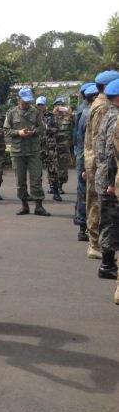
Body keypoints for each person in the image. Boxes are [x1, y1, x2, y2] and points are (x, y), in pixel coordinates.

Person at [85, 70, 119, 259]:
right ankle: (96, 245)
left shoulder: (101, 105)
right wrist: (108, 178)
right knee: (100, 208)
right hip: (101, 165)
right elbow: (103, 143)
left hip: (99, 164)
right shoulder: (103, 107)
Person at [3, 87, 50, 216]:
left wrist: (33, 132)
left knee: (36, 179)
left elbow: (42, 128)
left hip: (33, 151)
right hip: (17, 152)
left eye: (29, 100)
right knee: (20, 181)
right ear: (19, 99)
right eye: (25, 100)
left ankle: (39, 206)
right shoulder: (11, 113)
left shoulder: (36, 112)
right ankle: (24, 206)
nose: (27, 103)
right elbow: (6, 131)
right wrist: (18, 132)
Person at [94, 79, 119, 280]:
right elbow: (112, 152)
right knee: (111, 222)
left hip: (104, 174)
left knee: (108, 221)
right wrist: (112, 183)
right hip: (110, 179)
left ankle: (108, 263)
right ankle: (107, 265)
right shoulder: (115, 117)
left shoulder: (108, 114)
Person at [76, 84, 99, 242]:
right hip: (88, 158)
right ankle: (85, 227)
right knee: (88, 193)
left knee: (84, 192)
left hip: (83, 156)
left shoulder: (83, 110)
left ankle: (83, 226)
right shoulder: (88, 112)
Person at [37, 96, 61, 200]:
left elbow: (57, 129)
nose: (40, 106)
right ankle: (37, 193)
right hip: (38, 147)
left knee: (53, 170)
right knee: (37, 171)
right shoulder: (34, 116)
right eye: (38, 105)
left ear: (45, 105)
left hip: (50, 147)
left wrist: (47, 129)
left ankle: (55, 191)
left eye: (42, 104)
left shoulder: (52, 116)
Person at [53, 97, 74, 196]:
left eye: (62, 105)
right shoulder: (51, 117)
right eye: (58, 105)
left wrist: (70, 113)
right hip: (53, 148)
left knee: (63, 169)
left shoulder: (69, 118)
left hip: (64, 148)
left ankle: (60, 186)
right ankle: (53, 186)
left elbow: (76, 124)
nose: (60, 107)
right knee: (52, 168)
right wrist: (53, 114)